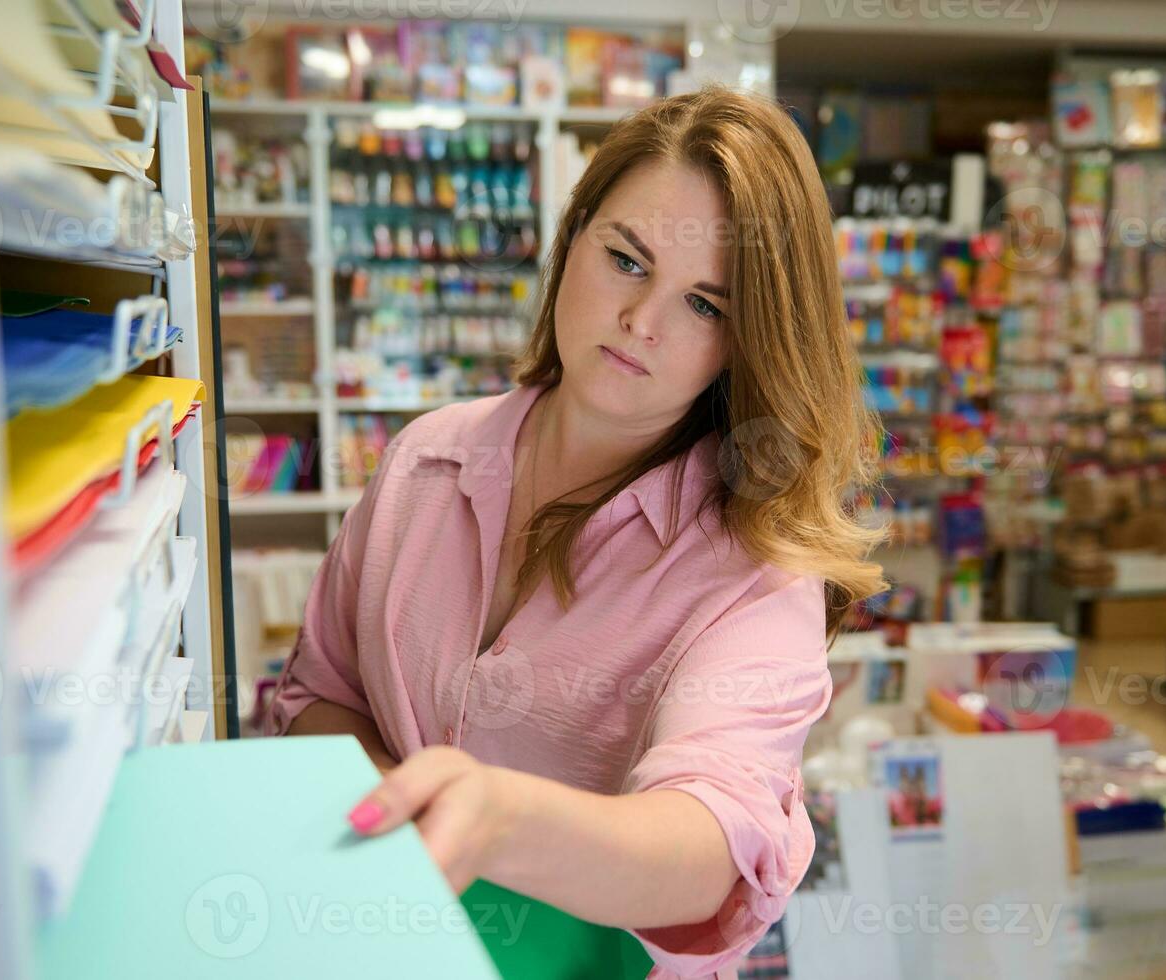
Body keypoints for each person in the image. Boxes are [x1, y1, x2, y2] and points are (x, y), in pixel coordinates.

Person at [267, 85, 886, 978]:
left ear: (746, 341)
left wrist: (497, 823)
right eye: (627, 261)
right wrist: (403, 823)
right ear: (574, 236)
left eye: (705, 306)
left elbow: (714, 838)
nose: (642, 323)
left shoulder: (754, 572)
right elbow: (322, 692)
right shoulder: (424, 460)